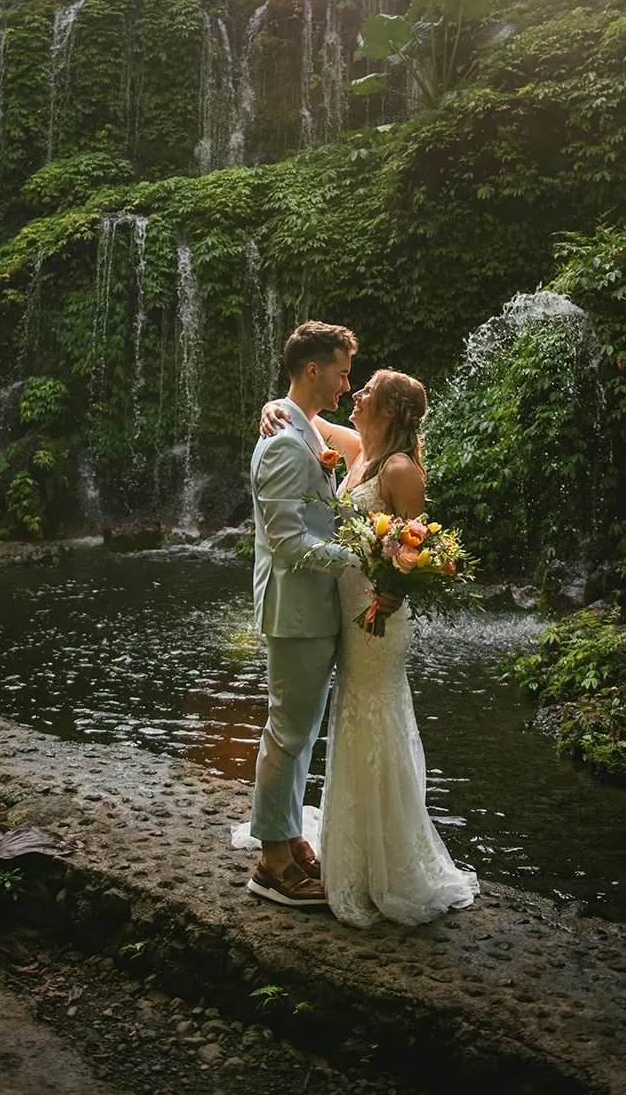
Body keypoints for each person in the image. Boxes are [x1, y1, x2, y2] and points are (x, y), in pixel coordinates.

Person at [252, 363, 479, 927]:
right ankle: (350, 848)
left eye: (367, 390)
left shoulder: (401, 469)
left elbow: (420, 550)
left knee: (374, 718)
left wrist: (391, 594)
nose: (354, 393)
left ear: (390, 411)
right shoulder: (358, 450)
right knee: (349, 718)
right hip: (346, 612)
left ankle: (387, 860)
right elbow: (303, 418)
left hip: (377, 616)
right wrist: (271, 408)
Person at [244, 320, 402, 907]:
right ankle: (271, 862)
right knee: (286, 733)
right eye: (341, 372)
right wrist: (359, 555)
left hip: (314, 608)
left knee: (300, 731)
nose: (346, 383)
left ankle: (285, 837)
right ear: (314, 369)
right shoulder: (286, 439)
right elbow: (286, 539)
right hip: (297, 609)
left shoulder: (301, 425)